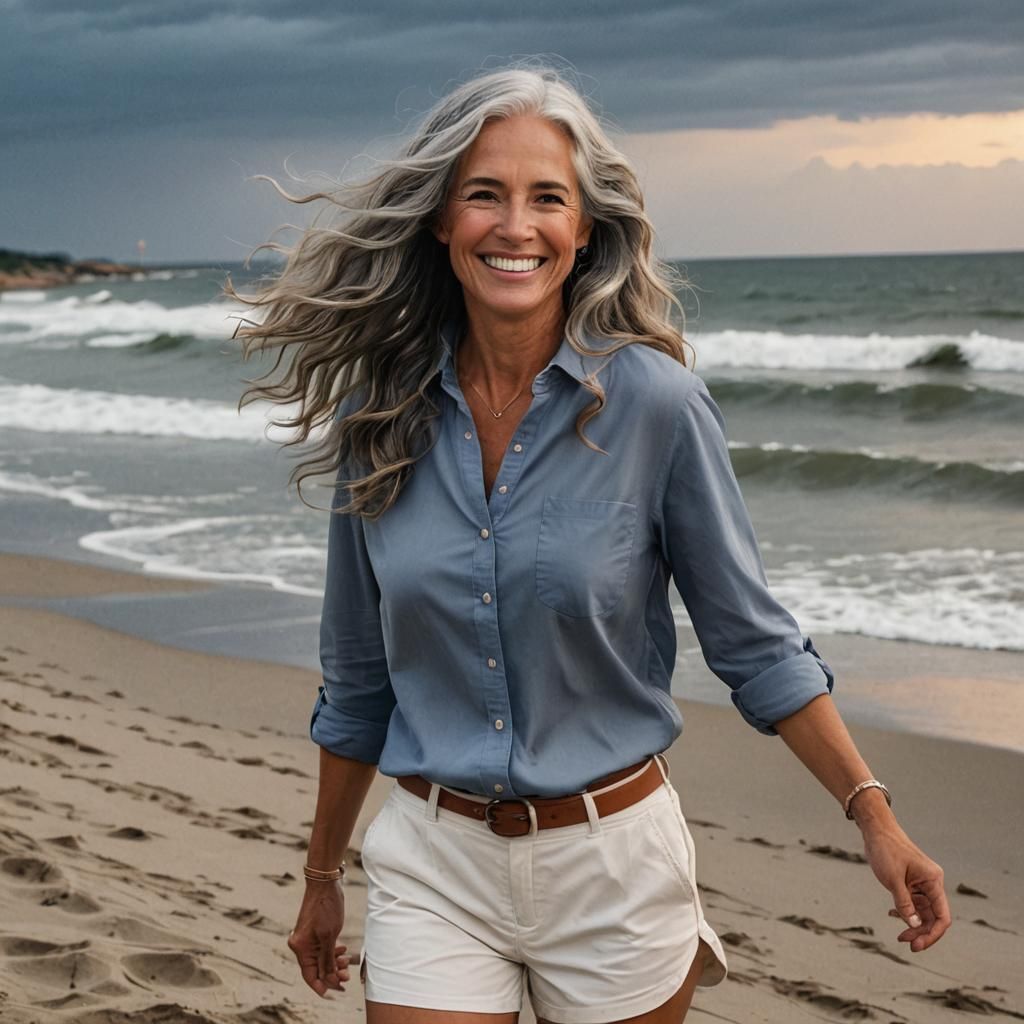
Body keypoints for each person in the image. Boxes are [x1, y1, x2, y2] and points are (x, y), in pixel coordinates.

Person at [228, 61, 951, 1024]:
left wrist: (876, 815)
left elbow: (756, 645)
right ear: (442, 219)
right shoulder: (381, 417)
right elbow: (358, 680)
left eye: (547, 199)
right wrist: (322, 874)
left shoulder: (658, 408)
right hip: (434, 859)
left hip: (613, 867)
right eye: (484, 195)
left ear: (584, 229)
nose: (515, 226)